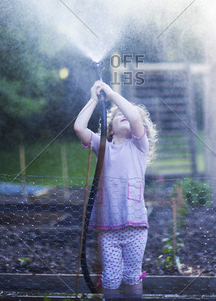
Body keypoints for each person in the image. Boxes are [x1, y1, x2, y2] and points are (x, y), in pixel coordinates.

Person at [74, 80, 157, 300]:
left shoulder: (139, 147)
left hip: (135, 226)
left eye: (126, 113)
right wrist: (93, 99)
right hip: (107, 227)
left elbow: (136, 117)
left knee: (132, 276)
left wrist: (112, 94)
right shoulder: (102, 147)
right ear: (110, 129)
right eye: (117, 114)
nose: (124, 114)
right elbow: (79, 128)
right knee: (110, 278)